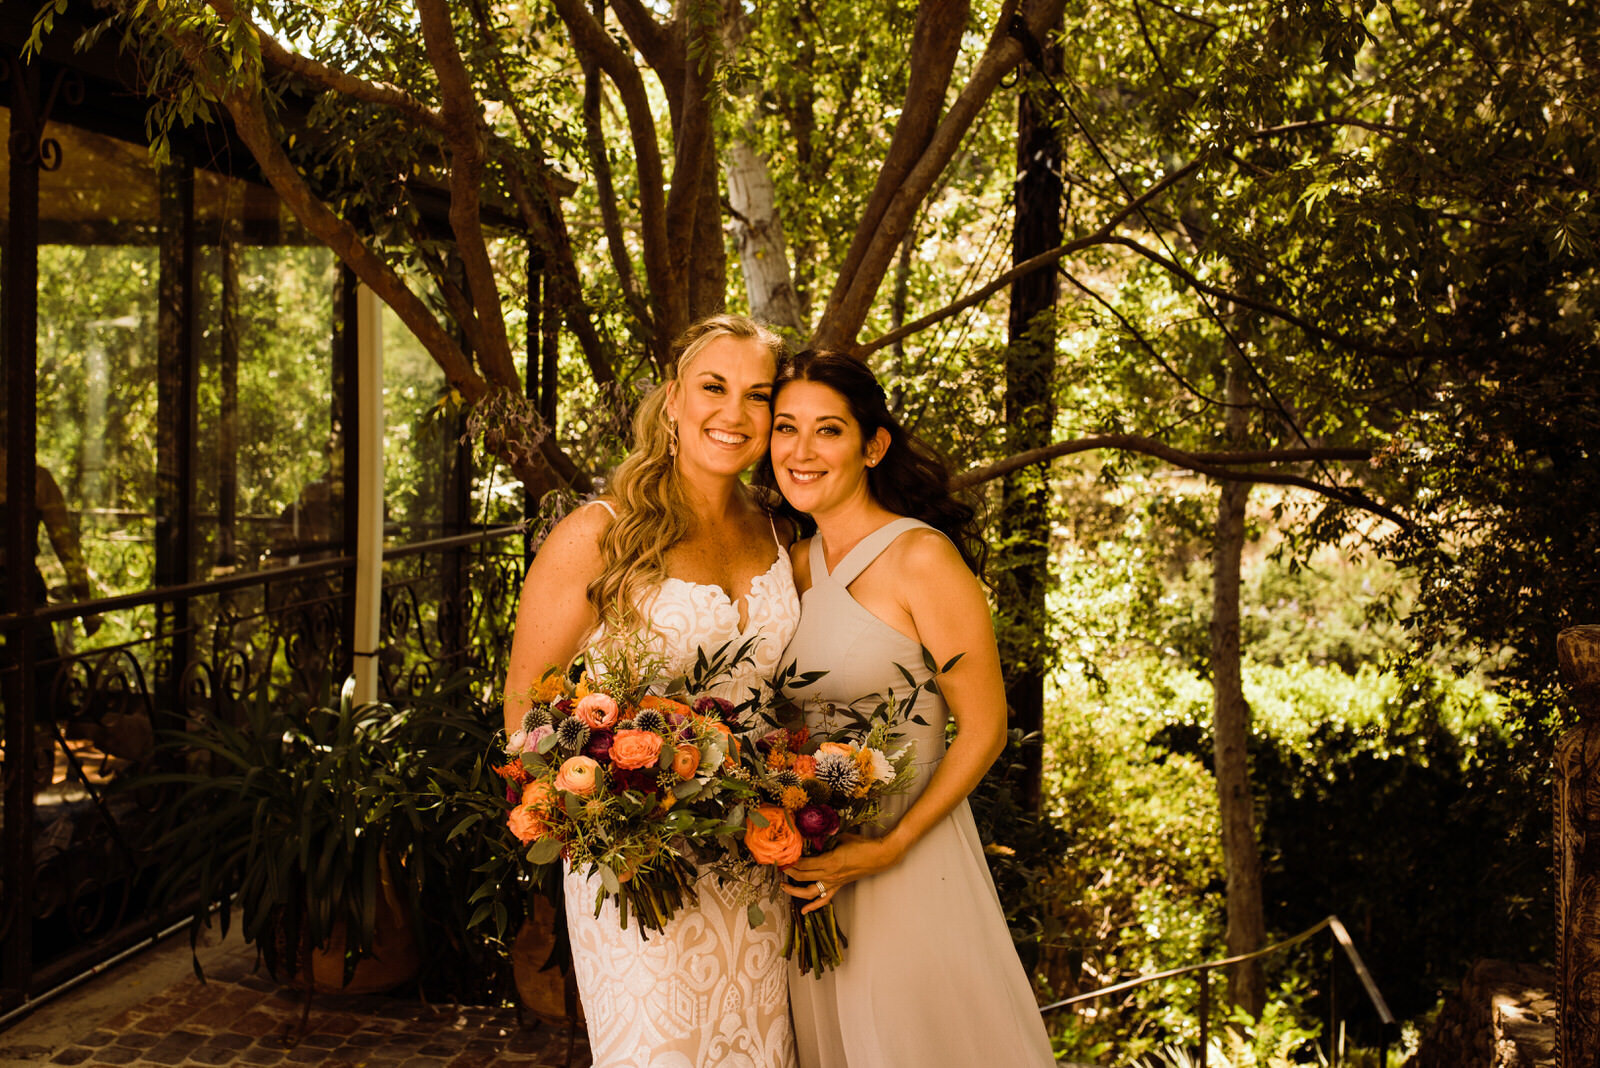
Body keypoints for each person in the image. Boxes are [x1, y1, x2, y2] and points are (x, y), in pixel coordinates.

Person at [502, 314, 799, 1068]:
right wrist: (608, 824)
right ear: (672, 400)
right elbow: (524, 714)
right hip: (638, 872)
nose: (734, 414)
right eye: (713, 387)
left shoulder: (781, 534)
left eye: (757, 396)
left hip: (757, 861)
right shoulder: (594, 536)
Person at [760, 350, 1055, 1067]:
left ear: (873, 444)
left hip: (907, 855)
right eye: (785, 428)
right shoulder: (791, 565)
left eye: (827, 430)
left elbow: (985, 728)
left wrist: (891, 845)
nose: (801, 452)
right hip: (815, 858)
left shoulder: (922, 558)